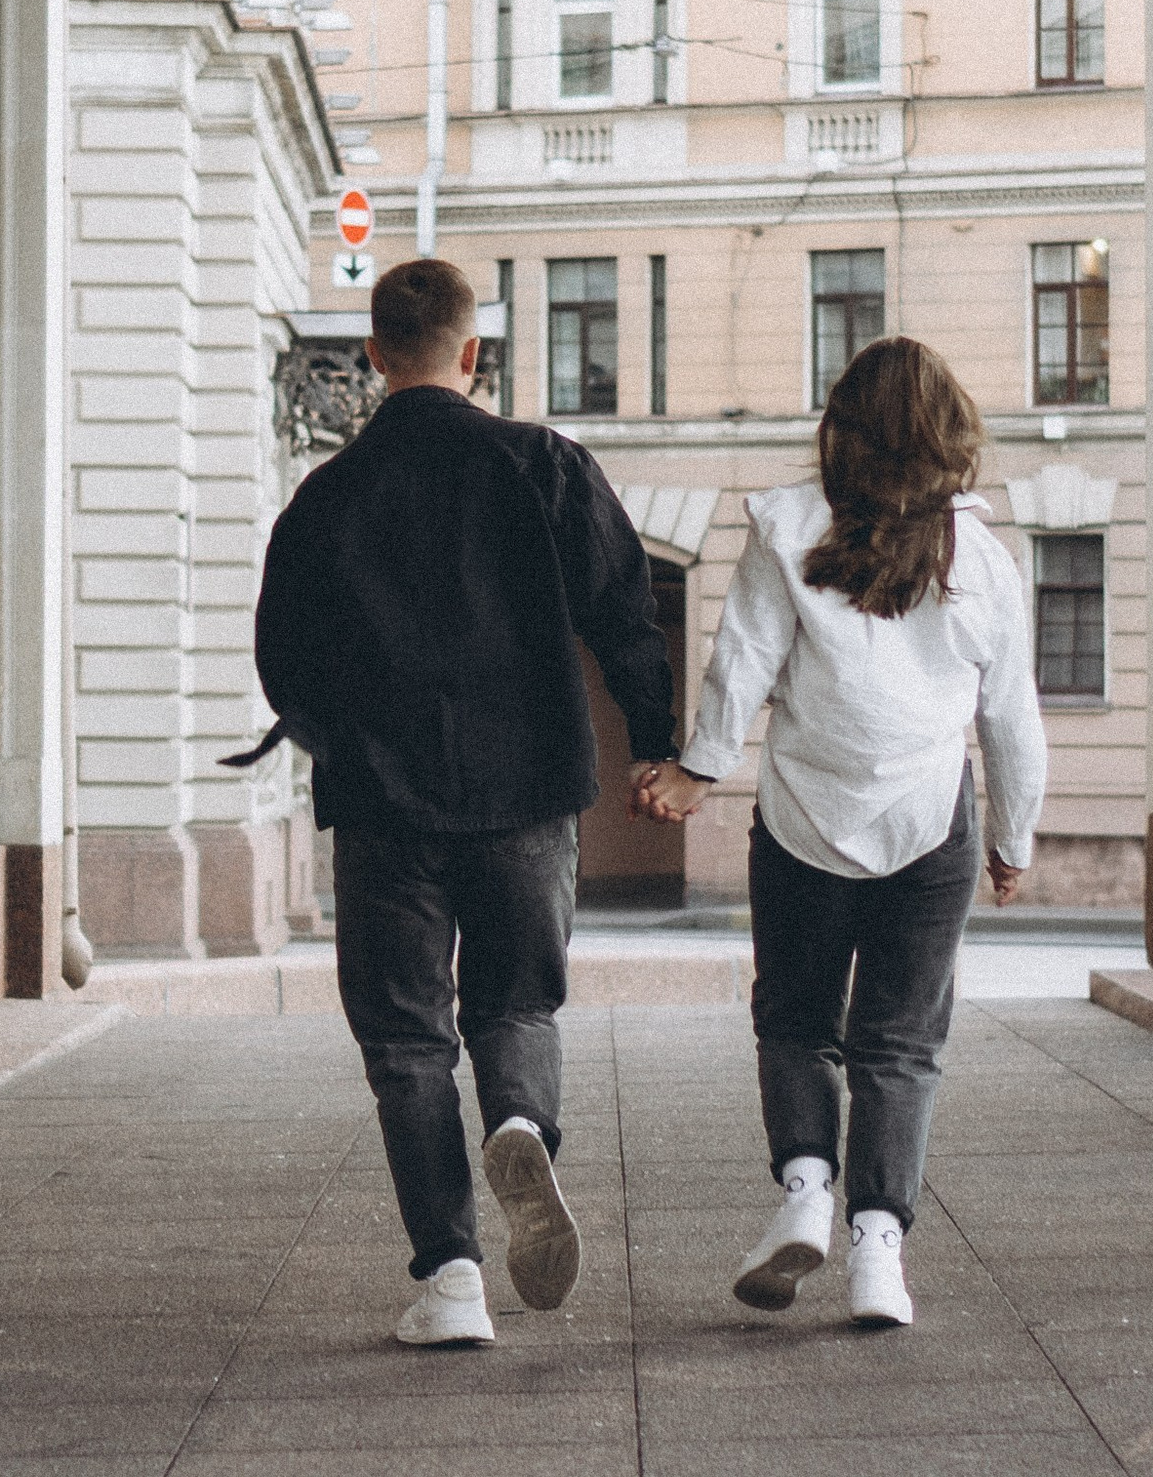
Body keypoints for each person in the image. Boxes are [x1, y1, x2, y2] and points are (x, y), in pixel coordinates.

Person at [255, 252, 676, 1347]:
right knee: (515, 1004)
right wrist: (658, 747)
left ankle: (449, 1278)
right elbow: (625, 613)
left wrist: (333, 737)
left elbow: (282, 655)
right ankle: (524, 1121)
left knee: (405, 1042)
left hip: (386, 801)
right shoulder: (544, 464)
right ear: (474, 354)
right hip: (528, 788)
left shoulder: (327, 494)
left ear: (377, 357)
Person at [637, 336, 1044, 1330]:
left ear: (840, 429)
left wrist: (700, 769)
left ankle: (807, 1191)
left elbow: (742, 658)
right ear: (949, 434)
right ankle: (878, 1256)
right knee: (900, 1043)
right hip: (929, 816)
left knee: (794, 1017)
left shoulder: (784, 528)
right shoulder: (982, 562)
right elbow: (1011, 720)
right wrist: (1013, 841)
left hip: (801, 816)